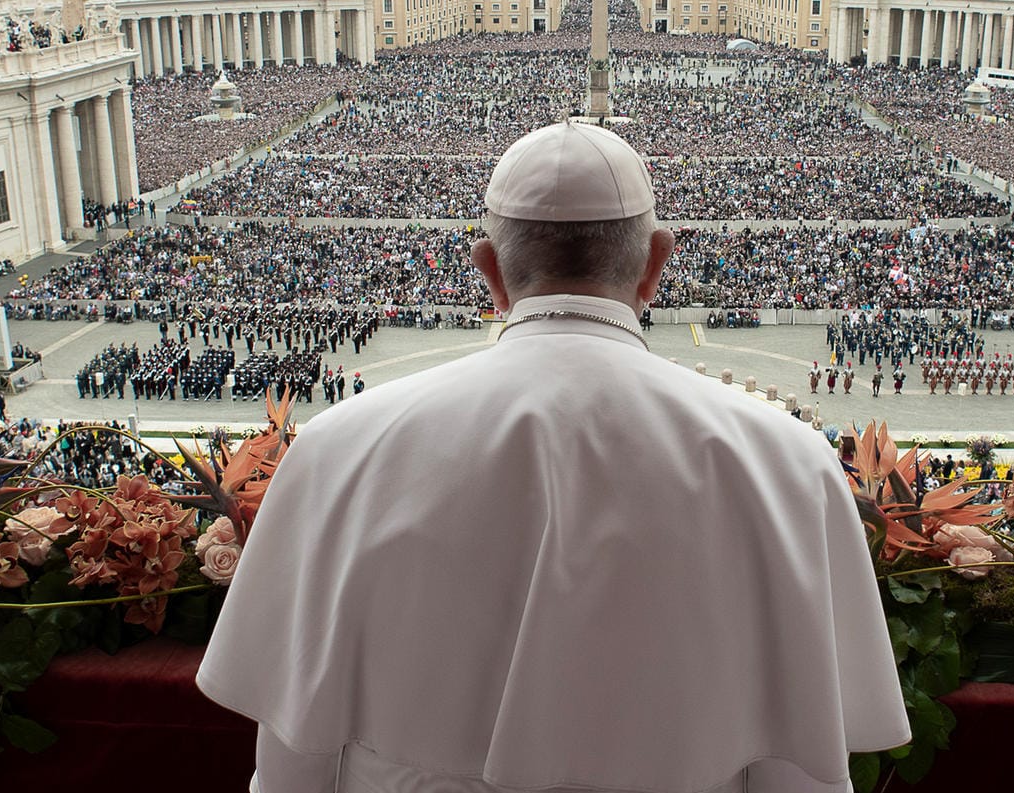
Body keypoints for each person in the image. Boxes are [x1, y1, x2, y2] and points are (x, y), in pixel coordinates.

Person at [197, 121, 909, 793]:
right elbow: (801, 766)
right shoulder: (787, 463)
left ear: (488, 271)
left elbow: (293, 758)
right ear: (656, 262)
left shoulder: (336, 449)